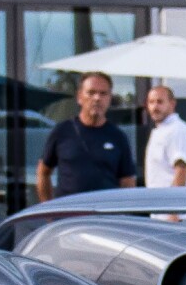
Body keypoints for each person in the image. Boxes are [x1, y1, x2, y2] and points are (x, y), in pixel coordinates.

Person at [35, 70, 136, 202]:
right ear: (79, 97)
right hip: (69, 217)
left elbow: (127, 182)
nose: (97, 98)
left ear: (109, 98)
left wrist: (122, 214)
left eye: (103, 93)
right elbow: (43, 172)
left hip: (105, 216)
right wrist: (48, 210)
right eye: (91, 92)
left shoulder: (118, 136)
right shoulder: (62, 131)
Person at [141, 83, 186, 189]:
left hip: (172, 202)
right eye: (151, 102)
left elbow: (181, 169)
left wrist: (172, 202)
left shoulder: (177, 130)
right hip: (161, 200)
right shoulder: (162, 131)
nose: (155, 107)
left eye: (160, 102)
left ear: (172, 103)